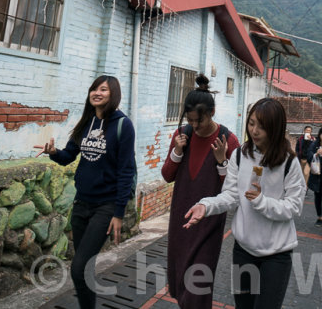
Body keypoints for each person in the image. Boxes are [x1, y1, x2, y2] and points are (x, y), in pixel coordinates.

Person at [184, 98, 304, 309]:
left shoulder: (289, 162)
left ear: (275, 128)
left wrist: (261, 202)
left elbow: (294, 206)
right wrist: (206, 205)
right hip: (243, 250)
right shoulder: (240, 155)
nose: (255, 130)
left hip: (276, 255)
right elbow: (230, 195)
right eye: (251, 123)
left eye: (262, 126)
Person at [34, 75, 136, 309]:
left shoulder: (122, 125)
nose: (97, 93)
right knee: (84, 267)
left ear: (114, 95)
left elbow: (125, 171)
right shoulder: (86, 123)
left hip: (106, 206)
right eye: (94, 89)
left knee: (78, 268)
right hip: (82, 204)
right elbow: (68, 156)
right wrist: (53, 152)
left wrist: (118, 213)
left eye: (103, 90)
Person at [161, 75, 240, 309]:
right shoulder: (182, 135)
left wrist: (221, 162)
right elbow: (167, 175)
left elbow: (233, 191)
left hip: (208, 223)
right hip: (180, 219)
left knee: (198, 285)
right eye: (191, 120)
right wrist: (177, 151)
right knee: (179, 280)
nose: (195, 126)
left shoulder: (228, 140)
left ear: (212, 112)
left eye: (200, 120)